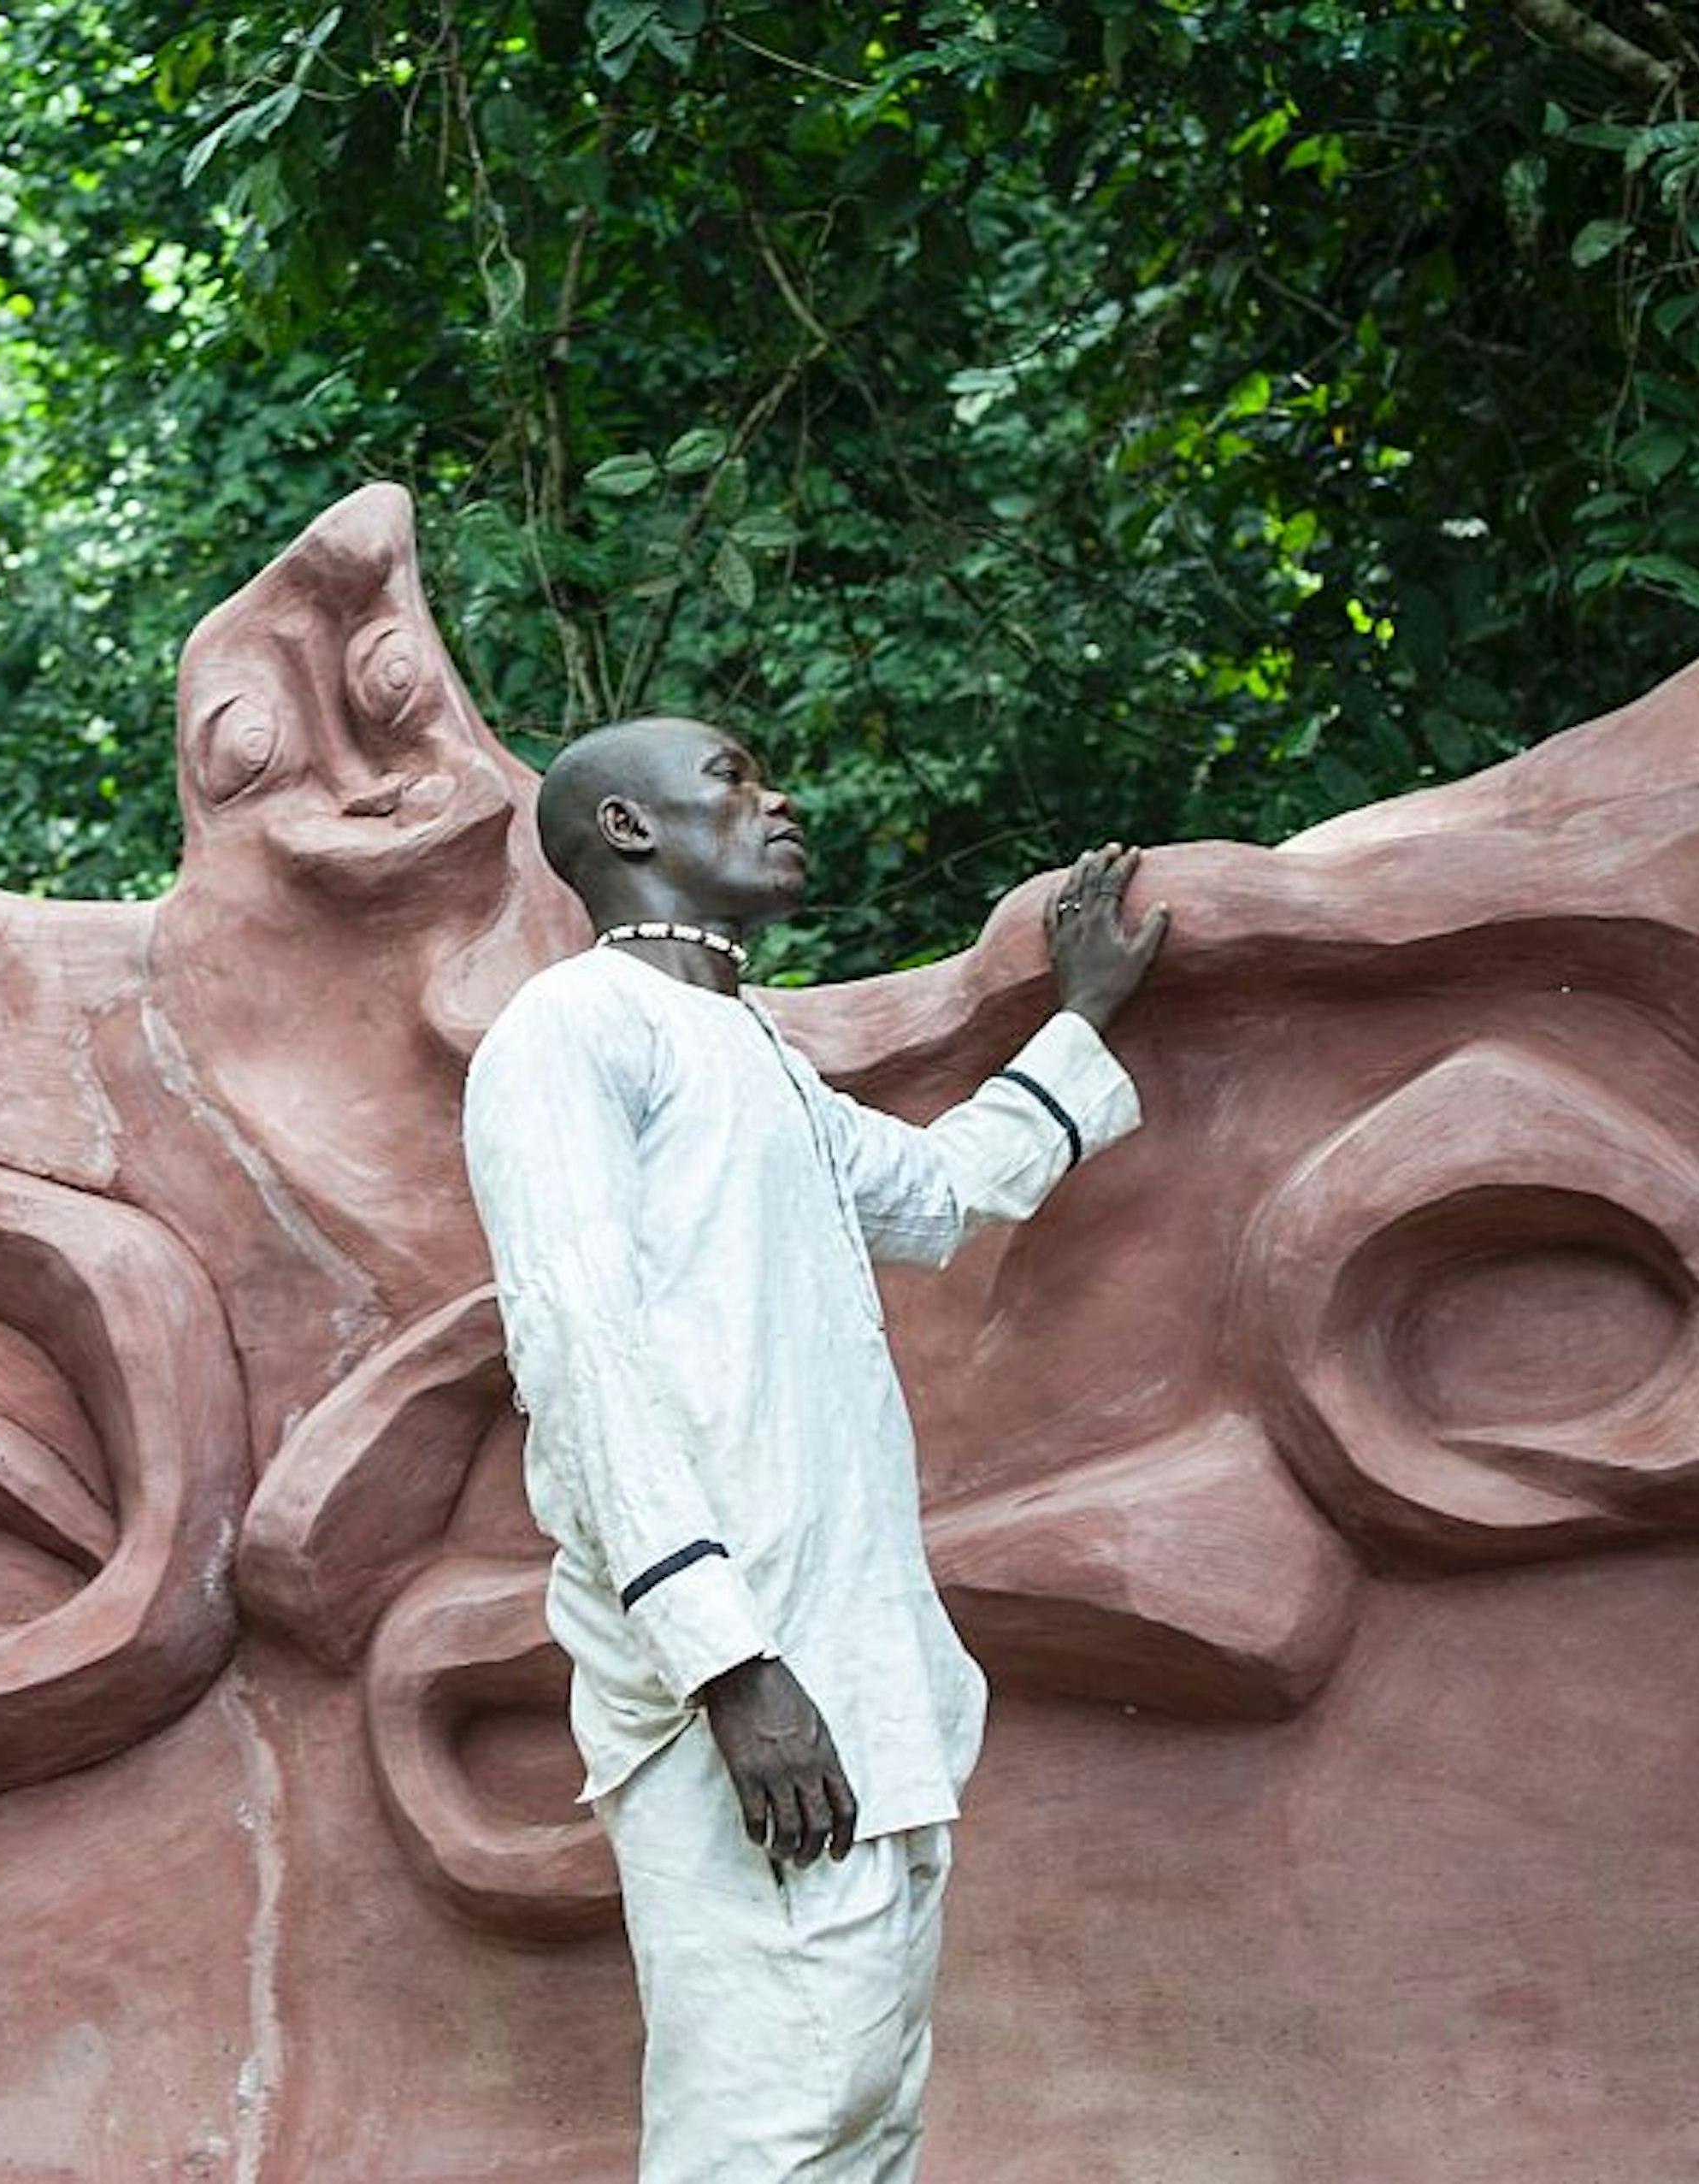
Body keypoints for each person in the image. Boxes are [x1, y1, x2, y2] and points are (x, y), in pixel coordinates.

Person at [460, 715, 1166, 2183]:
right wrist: (731, 1661)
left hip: (861, 1679)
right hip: (745, 1692)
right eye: (730, 776)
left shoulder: (752, 1057)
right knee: (766, 2128)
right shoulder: (568, 1031)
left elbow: (946, 1191)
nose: (778, 798)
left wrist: (1084, 1014)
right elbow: (582, 1354)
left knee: (858, 2110)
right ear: (626, 830)